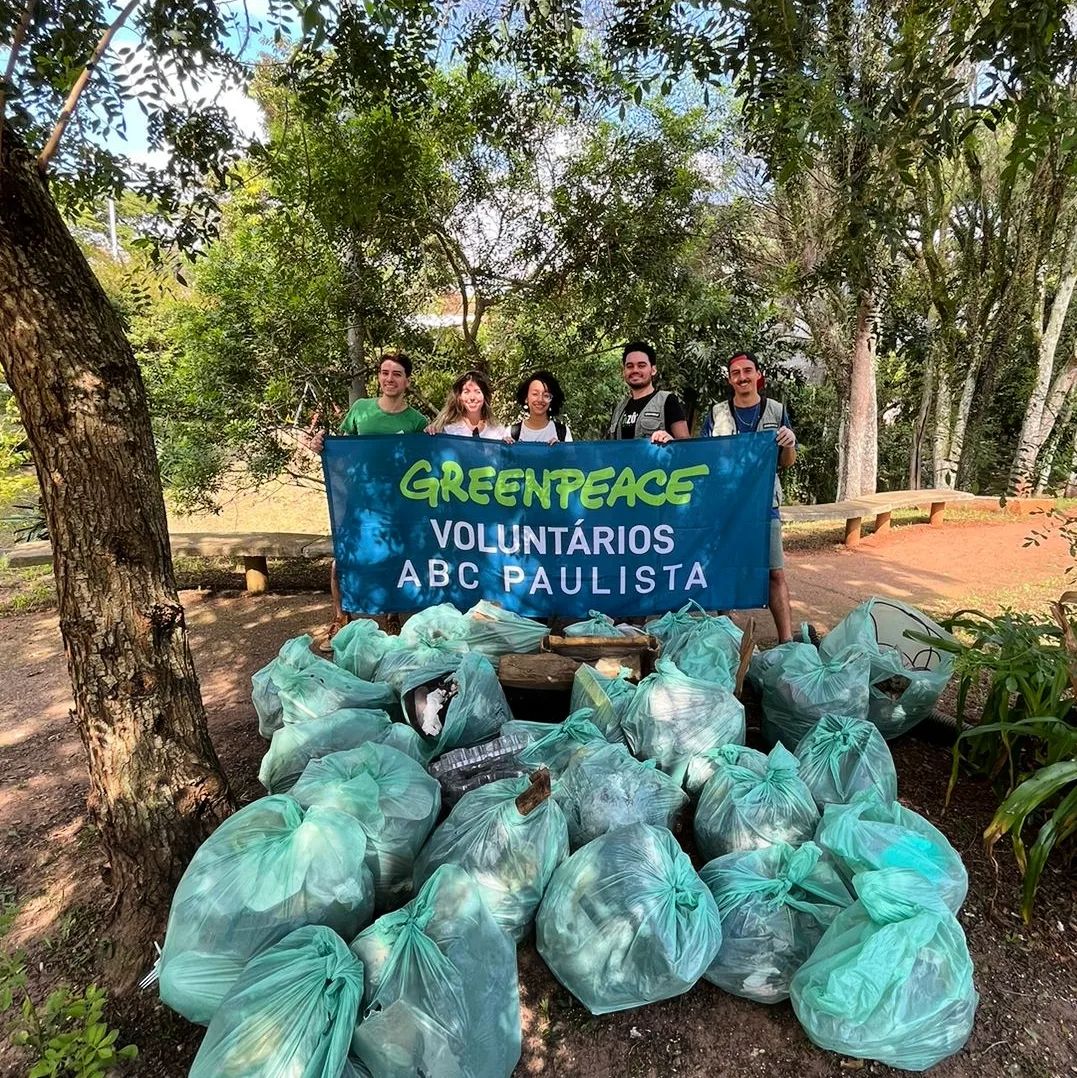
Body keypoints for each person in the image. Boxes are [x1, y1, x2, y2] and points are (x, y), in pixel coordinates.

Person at [307, 352, 427, 645]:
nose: (389, 379)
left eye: (396, 374)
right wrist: (321, 443)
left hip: (396, 505)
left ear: (407, 381)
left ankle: (392, 617)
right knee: (344, 560)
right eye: (385, 373)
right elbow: (341, 446)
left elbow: (428, 457)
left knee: (392, 558)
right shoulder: (361, 409)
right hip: (359, 502)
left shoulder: (416, 420)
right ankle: (341, 616)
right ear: (378, 378)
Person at [701, 350, 797, 643]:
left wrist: (790, 443)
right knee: (723, 568)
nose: (742, 377)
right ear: (730, 380)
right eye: (735, 373)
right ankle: (724, 634)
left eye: (747, 371)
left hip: (764, 504)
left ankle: (787, 641)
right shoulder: (717, 414)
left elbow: (786, 462)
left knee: (774, 573)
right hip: (726, 506)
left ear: (758, 375)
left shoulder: (776, 411)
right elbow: (703, 458)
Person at [607, 341, 690, 444]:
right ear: (623, 371)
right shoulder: (619, 408)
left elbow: (686, 444)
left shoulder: (667, 400)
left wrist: (670, 440)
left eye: (641, 365)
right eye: (629, 366)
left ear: (653, 370)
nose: (635, 370)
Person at [430, 370, 512, 440]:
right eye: (466, 392)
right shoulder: (447, 429)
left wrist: (507, 446)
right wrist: (429, 433)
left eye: (477, 392)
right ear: (459, 397)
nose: (472, 397)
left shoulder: (497, 431)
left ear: (485, 396)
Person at [511, 369, 572, 443]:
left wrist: (560, 450)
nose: (540, 400)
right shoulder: (511, 433)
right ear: (526, 398)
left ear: (552, 400)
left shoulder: (563, 432)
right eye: (535, 394)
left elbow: (571, 455)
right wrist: (504, 449)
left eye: (546, 395)